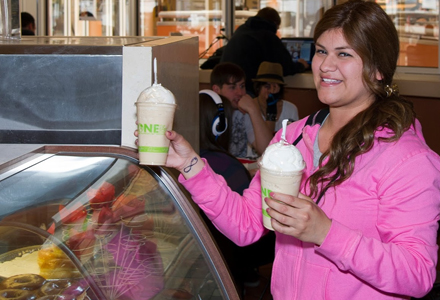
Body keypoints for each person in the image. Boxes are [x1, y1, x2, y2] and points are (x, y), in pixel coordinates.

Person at [146, 1, 440, 299]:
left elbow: (417, 273)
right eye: (322, 50)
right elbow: (246, 225)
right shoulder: (292, 138)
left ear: (378, 69)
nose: (325, 65)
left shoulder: (407, 159)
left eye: (344, 54)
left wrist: (325, 232)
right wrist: (190, 164)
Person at [198, 90, 275, 294]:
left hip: (209, 251)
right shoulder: (227, 164)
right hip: (241, 251)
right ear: (219, 126)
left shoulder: (194, 162)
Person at [220, 7, 309, 95]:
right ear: (275, 24)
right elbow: (284, 67)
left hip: (227, 86)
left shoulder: (241, 30)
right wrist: (301, 65)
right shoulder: (268, 36)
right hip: (249, 88)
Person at [211, 62, 273, 158]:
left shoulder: (245, 111)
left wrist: (253, 110)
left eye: (242, 86)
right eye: (232, 87)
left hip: (238, 169)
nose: (240, 93)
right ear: (216, 90)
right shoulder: (206, 111)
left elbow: (268, 150)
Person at [246, 61, 299, 158]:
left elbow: (293, 143)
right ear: (258, 87)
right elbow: (266, 147)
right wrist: (271, 110)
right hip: (254, 160)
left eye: (275, 86)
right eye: (267, 86)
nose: (271, 90)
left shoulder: (291, 109)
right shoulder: (249, 107)